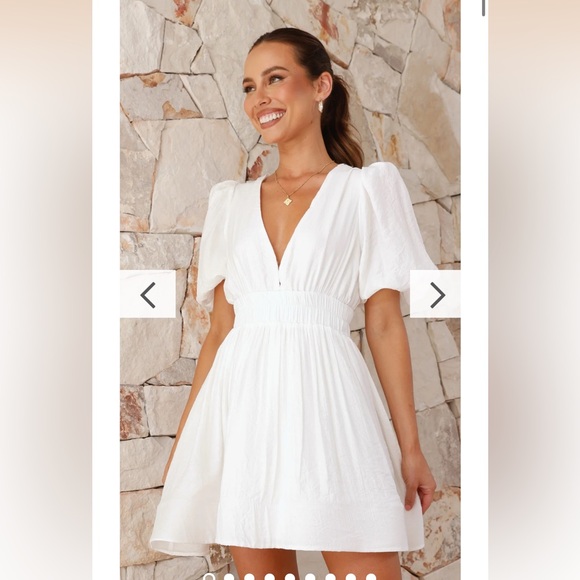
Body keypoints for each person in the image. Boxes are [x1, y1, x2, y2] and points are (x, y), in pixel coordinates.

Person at [150, 27, 438, 579]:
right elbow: (220, 331)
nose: (259, 97)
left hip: (334, 408)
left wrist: (411, 448)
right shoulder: (229, 203)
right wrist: (187, 445)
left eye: (275, 79)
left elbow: (383, 325)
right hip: (245, 413)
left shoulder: (365, 191)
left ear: (321, 86)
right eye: (249, 86)